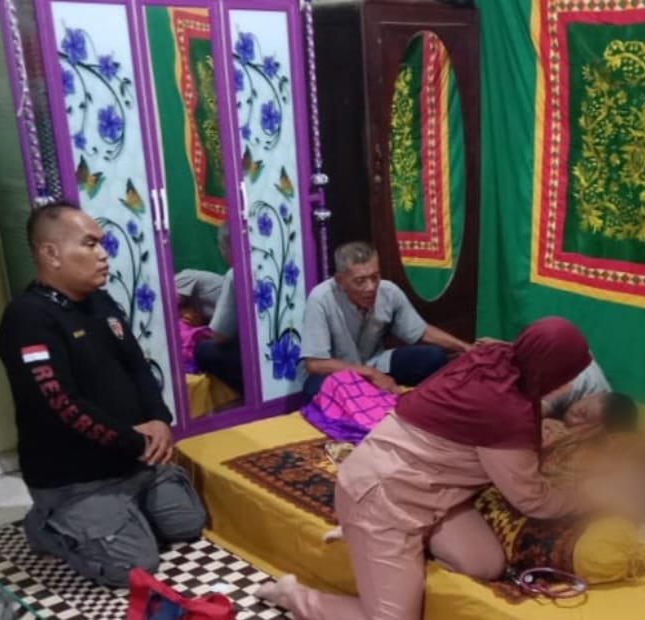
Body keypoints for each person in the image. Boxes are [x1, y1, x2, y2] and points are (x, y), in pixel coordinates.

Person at [257, 317, 595, 620]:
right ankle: (293, 595)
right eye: (567, 377)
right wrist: (587, 497)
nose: (569, 386)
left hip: (426, 491)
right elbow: (531, 498)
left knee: (483, 563)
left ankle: (377, 540)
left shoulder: (498, 357)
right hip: (380, 497)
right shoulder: (506, 413)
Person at [0, 203, 206, 588]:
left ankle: (122, 514)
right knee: (136, 567)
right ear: (51, 253)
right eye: (90, 244)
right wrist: (136, 442)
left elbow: (138, 366)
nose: (103, 254)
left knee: (186, 524)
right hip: (78, 477)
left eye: (101, 243)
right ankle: (48, 524)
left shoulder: (100, 302)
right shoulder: (27, 318)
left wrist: (160, 420)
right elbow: (60, 406)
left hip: (132, 463)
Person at [300, 241, 471, 398]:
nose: (371, 287)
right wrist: (369, 374)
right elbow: (314, 364)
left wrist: (464, 347)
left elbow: (420, 331)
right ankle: (368, 397)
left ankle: (381, 398)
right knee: (315, 390)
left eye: (375, 277)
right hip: (341, 373)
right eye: (360, 281)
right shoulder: (321, 298)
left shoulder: (388, 292)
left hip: (377, 363)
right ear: (340, 281)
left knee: (434, 357)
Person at [192, 224, 243, 393]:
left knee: (202, 350)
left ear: (227, 247)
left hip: (248, 356)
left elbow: (220, 336)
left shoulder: (235, 273)